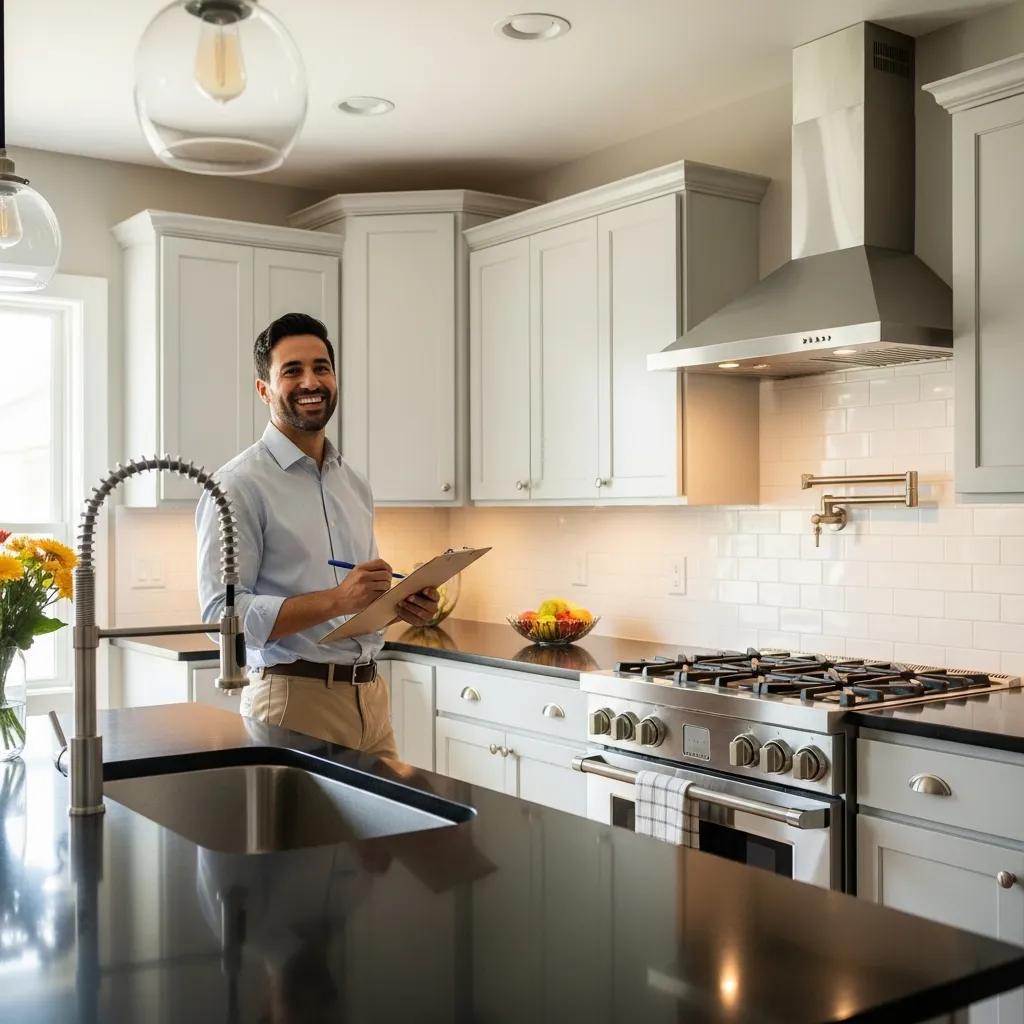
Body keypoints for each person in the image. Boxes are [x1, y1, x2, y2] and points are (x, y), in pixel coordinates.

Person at [195, 312, 439, 757]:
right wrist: (336, 599)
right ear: (263, 389)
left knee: (392, 829)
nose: (311, 381)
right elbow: (220, 618)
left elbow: (355, 603)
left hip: (371, 702)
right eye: (292, 371)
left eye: (321, 367)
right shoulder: (238, 485)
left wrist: (398, 605)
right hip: (293, 703)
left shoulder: (354, 482)